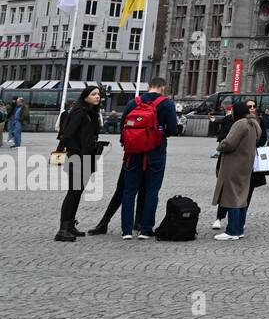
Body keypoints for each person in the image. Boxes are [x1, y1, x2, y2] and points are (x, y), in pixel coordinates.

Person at [119, 78, 180, 239]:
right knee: (152, 190)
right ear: (163, 87)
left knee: (129, 191)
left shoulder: (134, 102)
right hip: (155, 152)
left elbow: (122, 126)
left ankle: (126, 230)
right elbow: (173, 129)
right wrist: (160, 135)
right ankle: (145, 229)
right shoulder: (166, 104)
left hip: (133, 153)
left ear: (149, 86)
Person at [54, 85, 104, 242]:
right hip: (77, 159)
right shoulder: (80, 112)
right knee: (73, 193)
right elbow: (68, 136)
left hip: (87, 158)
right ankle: (62, 230)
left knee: (77, 192)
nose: (98, 97)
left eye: (99, 94)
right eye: (94, 94)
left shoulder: (91, 113)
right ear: (85, 96)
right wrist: (78, 152)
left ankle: (70, 225)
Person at [212, 102, 260, 240]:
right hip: (246, 163)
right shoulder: (253, 123)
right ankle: (239, 228)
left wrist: (220, 145)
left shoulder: (240, 124)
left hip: (234, 163)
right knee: (241, 196)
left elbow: (229, 143)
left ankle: (232, 231)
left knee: (232, 196)